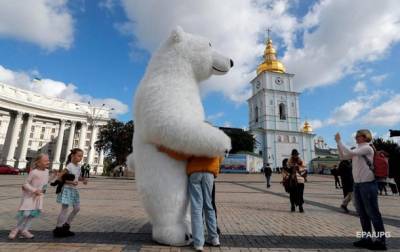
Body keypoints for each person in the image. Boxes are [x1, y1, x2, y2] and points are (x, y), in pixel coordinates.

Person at [335, 130, 387, 250]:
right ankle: (366, 238)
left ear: (365, 137)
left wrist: (340, 141)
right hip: (358, 185)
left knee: (373, 213)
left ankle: (381, 241)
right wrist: (338, 145)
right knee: (363, 214)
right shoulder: (358, 149)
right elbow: (343, 156)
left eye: (358, 136)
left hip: (368, 184)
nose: (356, 138)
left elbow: (350, 152)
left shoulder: (367, 148)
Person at [8, 154, 50, 239]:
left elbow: (46, 182)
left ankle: (25, 230)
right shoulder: (34, 172)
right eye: (45, 161)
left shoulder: (47, 171)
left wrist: (54, 177)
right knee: (26, 214)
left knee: (32, 214)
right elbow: (25, 184)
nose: (48, 162)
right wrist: (34, 190)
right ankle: (16, 229)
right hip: (30, 196)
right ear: (38, 163)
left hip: (39, 197)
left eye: (48, 160)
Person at [187, 156, 222, 251]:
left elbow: (187, 154)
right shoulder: (215, 140)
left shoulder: (192, 140)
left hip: (195, 171)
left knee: (196, 207)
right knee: (209, 205)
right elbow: (220, 155)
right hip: (209, 171)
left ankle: (198, 243)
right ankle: (214, 238)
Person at [53, 148, 87, 238]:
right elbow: (60, 177)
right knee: (65, 209)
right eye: (79, 156)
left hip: (74, 190)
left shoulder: (79, 167)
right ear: (72, 156)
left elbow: (77, 177)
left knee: (77, 208)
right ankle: (58, 229)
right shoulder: (69, 166)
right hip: (67, 189)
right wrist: (70, 182)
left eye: (82, 156)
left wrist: (83, 180)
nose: (80, 158)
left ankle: (66, 226)